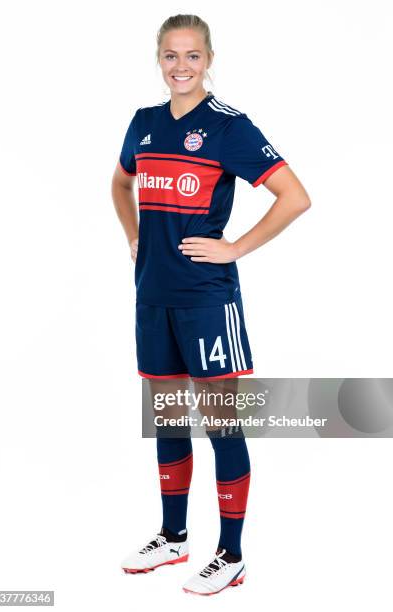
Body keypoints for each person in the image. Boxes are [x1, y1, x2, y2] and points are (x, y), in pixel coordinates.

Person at [111, 13, 311, 596]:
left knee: (222, 422)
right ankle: (174, 538)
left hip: (206, 299)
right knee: (168, 417)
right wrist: (133, 235)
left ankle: (231, 552)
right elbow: (120, 185)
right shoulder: (143, 125)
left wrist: (234, 248)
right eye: (171, 56)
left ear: (209, 59)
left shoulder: (229, 127)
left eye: (192, 56)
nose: (181, 66)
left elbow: (295, 197)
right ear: (159, 59)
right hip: (152, 295)